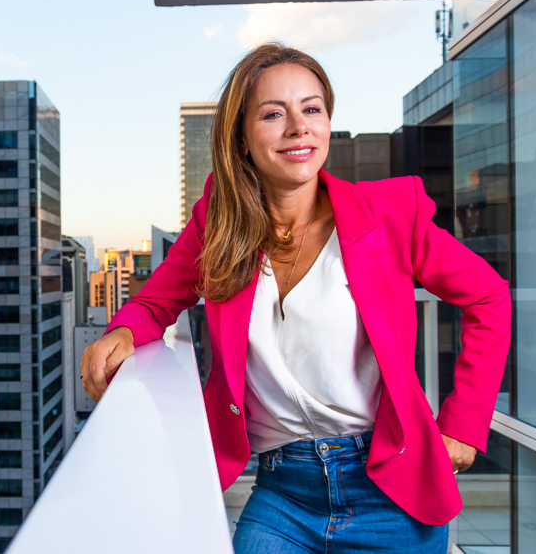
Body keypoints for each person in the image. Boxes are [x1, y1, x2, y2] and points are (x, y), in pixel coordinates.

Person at [80, 43, 511, 553]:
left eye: (311, 109)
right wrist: (125, 331)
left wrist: (463, 426)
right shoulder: (218, 222)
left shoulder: (391, 212)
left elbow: (489, 296)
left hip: (390, 491)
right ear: (241, 138)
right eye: (272, 114)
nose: (298, 127)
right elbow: (155, 303)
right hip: (283, 493)